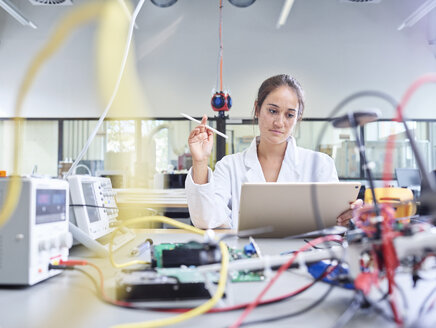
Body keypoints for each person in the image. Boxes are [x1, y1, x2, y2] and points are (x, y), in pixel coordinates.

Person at [185, 74, 362, 229]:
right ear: (257, 109)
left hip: (305, 260)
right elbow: (206, 220)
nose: (279, 122)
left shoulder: (320, 165)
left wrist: (350, 217)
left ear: (297, 117)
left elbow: (335, 226)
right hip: (246, 260)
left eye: (289, 115)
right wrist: (200, 161)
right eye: (272, 111)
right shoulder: (230, 166)